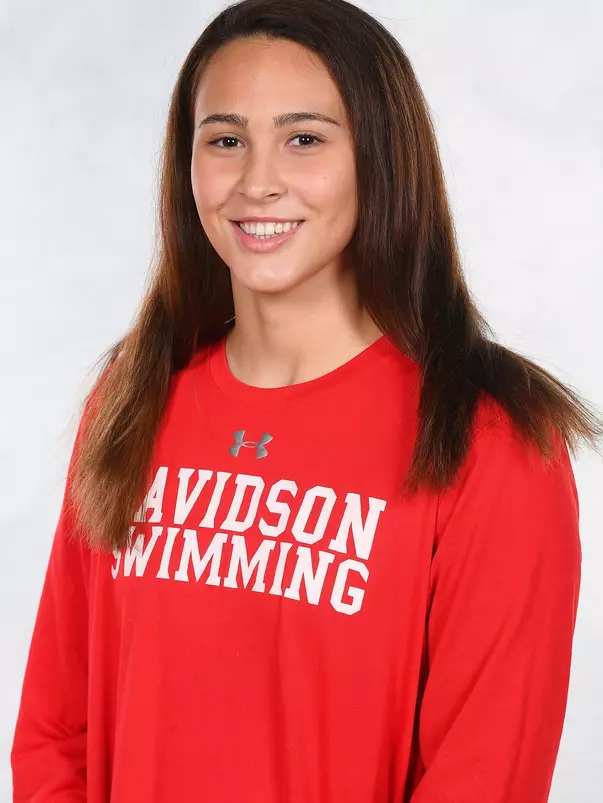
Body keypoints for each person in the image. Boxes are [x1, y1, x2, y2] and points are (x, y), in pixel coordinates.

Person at [10, 0, 603, 801]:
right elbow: (54, 733)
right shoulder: (131, 399)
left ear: (379, 160)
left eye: (304, 139)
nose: (258, 181)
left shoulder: (489, 438)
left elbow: (483, 774)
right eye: (225, 140)